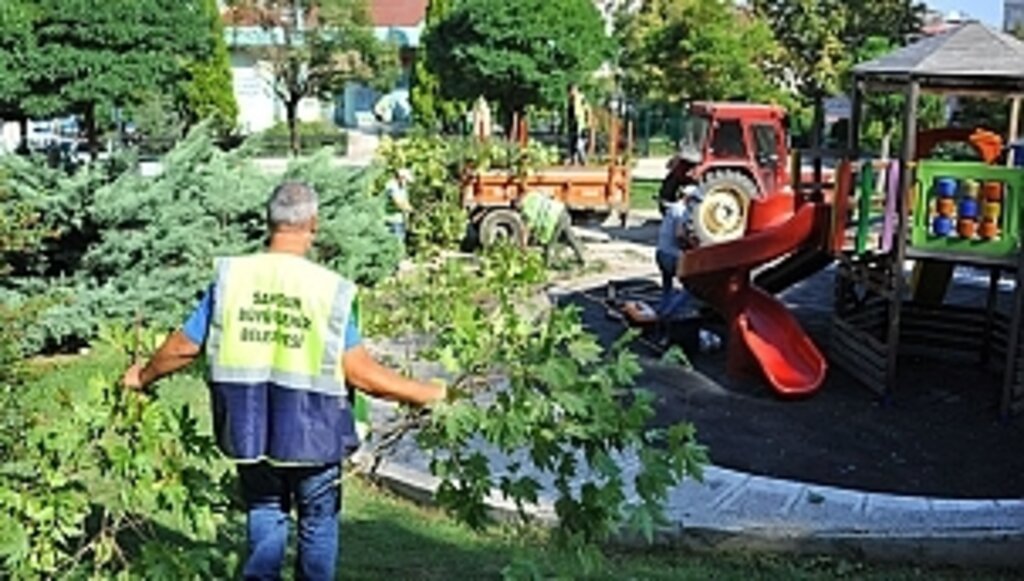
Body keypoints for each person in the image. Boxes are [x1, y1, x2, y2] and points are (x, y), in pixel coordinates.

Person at [121, 181, 446, 580]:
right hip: (314, 434)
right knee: (318, 521)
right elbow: (363, 375)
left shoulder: (233, 278)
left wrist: (143, 375)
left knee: (265, 510)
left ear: (268, 222)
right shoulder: (329, 290)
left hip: (249, 428)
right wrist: (429, 393)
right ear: (314, 223)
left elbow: (184, 346)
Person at [655, 185, 700, 319]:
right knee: (692, 288)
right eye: (694, 199)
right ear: (687, 198)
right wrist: (692, 245)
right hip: (672, 256)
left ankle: (661, 311)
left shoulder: (672, 208)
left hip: (661, 252)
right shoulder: (682, 211)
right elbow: (679, 234)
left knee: (667, 287)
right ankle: (668, 314)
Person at [519, 190, 585, 266]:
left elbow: (526, 231)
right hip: (561, 210)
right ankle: (582, 259)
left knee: (549, 244)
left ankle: (547, 264)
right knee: (570, 237)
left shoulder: (527, 211)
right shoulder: (532, 195)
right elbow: (548, 193)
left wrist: (523, 248)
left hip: (553, 219)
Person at [384, 168, 414, 244]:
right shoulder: (391, 186)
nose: (407, 183)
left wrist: (407, 220)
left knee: (400, 243)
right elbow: (398, 203)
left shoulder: (402, 187)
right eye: (406, 180)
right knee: (395, 245)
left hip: (400, 220)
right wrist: (410, 209)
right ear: (401, 177)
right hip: (392, 220)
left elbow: (405, 201)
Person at [565, 83, 590, 165]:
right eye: (570, 91)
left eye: (573, 90)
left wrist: (588, 122)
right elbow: (569, 113)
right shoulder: (570, 100)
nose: (571, 92)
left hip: (580, 124)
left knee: (579, 144)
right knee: (572, 143)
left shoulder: (581, 98)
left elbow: (588, 109)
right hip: (572, 124)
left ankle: (583, 160)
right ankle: (573, 160)